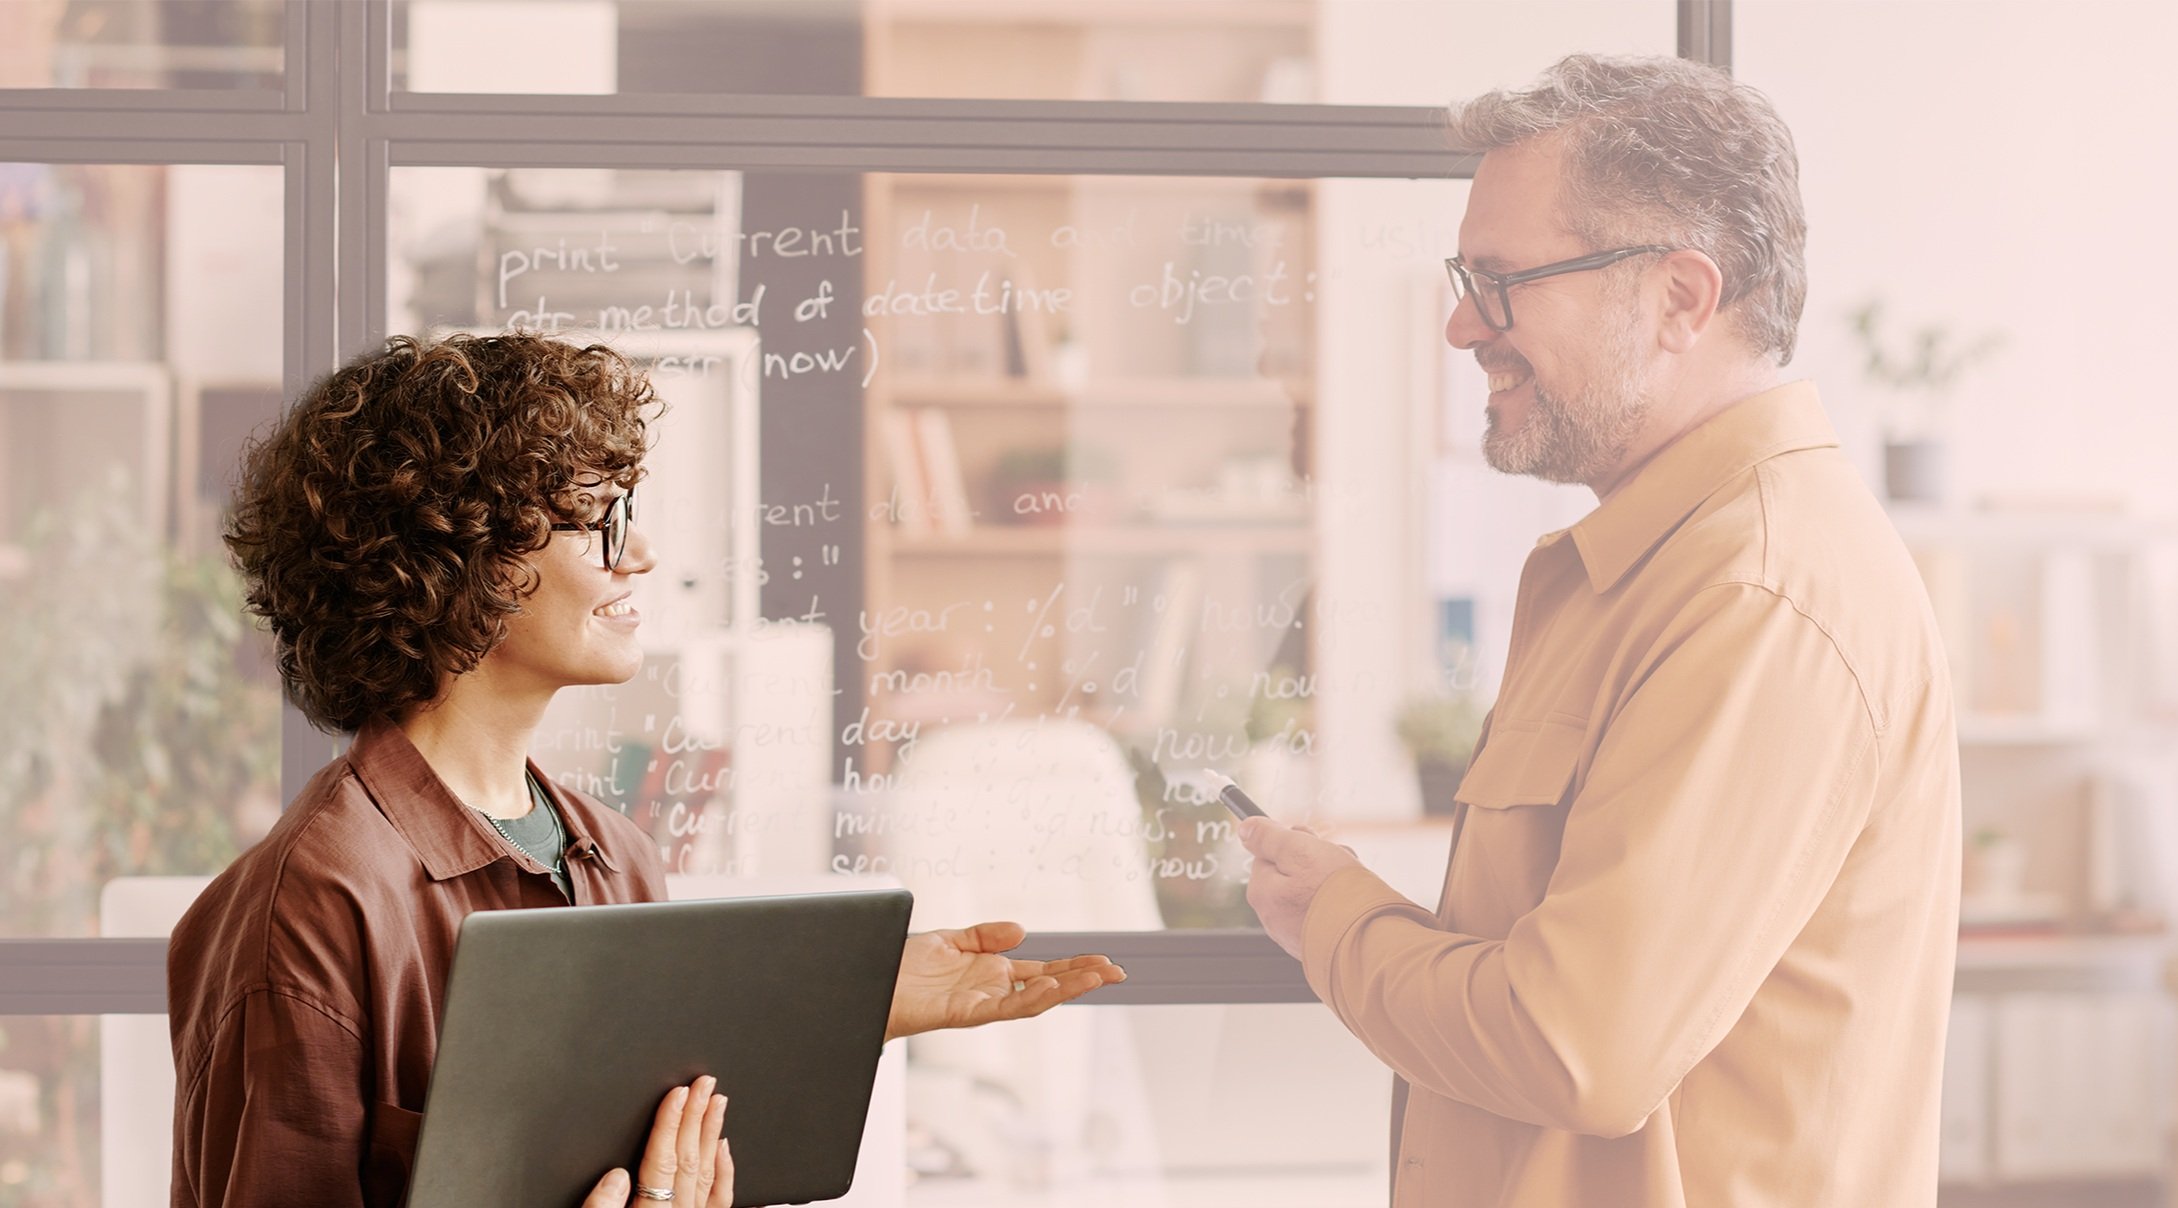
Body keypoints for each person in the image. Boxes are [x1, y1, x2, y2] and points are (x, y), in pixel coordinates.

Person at [167, 332, 1125, 1208]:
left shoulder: (614, 858)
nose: (646, 556)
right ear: (457, 559)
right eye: (598, 522)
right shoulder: (310, 908)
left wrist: (837, 1005)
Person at [1241, 54, 1960, 1207]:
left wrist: (1337, 916)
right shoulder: (1640, 570)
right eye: (1465, 276)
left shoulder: (1757, 596)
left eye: (1505, 278)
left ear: (1681, 297)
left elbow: (1571, 1043)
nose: (1464, 324)